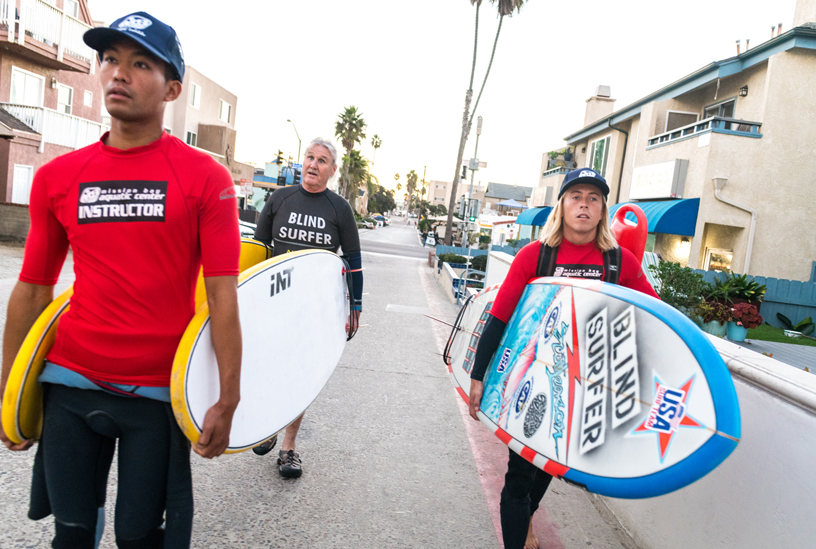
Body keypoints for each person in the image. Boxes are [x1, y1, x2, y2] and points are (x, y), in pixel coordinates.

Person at [0, 12, 242, 548]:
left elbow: (223, 294)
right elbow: (34, 288)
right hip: (69, 383)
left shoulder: (206, 178)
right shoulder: (58, 177)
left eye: (139, 63)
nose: (119, 73)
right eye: (110, 59)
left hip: (157, 394)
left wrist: (229, 396)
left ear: (172, 87)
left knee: (139, 539)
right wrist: (8, 389)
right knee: (71, 535)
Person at [467, 168, 658, 549]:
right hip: (530, 378)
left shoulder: (620, 263)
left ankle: (527, 523)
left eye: (593, 198)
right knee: (520, 474)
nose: (583, 204)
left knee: (548, 466)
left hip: (584, 387)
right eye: (576, 196)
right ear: (562, 205)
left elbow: (655, 318)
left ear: (603, 210)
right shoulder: (535, 256)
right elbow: (500, 316)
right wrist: (478, 374)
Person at [253, 138, 363, 478]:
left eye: (322, 160)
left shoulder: (338, 209)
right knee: (269, 367)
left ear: (332, 170)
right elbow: (258, 249)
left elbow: (354, 261)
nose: (313, 165)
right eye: (310, 157)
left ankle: (288, 447)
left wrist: (355, 305)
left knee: (300, 375)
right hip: (275, 302)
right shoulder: (279, 198)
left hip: (313, 308)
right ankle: (268, 425)